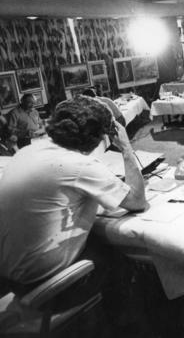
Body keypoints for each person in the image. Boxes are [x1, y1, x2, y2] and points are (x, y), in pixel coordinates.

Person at [0, 96, 147, 313]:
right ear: (97, 136)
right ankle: (126, 323)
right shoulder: (80, 164)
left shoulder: (27, 152)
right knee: (122, 255)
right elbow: (137, 201)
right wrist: (125, 147)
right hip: (44, 289)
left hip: (9, 277)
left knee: (97, 239)